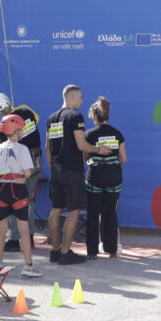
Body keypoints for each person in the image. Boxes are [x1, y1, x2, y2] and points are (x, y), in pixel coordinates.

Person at [45, 84, 104, 265]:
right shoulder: (75, 116)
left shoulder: (51, 118)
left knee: (56, 209)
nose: (82, 101)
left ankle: (55, 251)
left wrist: (52, 167)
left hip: (56, 169)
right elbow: (81, 145)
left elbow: (47, 147)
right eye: (80, 97)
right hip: (72, 170)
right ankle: (65, 253)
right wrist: (98, 149)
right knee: (74, 210)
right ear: (71, 98)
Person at [0, 114, 42, 278]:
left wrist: (4, 171)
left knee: (1, 229)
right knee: (23, 228)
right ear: (16, 131)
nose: (23, 132)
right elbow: (28, 172)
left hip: (2, 190)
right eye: (22, 129)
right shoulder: (22, 149)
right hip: (18, 191)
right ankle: (28, 266)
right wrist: (19, 174)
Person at [83, 96, 126, 259]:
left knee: (93, 214)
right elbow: (124, 158)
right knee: (111, 212)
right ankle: (112, 249)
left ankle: (92, 252)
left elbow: (85, 158)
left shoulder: (89, 134)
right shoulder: (117, 134)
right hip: (114, 177)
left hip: (95, 176)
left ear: (95, 116)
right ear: (107, 114)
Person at [0, 99, 42, 252]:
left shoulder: (4, 126)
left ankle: (15, 239)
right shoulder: (26, 113)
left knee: (14, 199)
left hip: (19, 163)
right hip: (36, 161)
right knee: (28, 199)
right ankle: (29, 237)